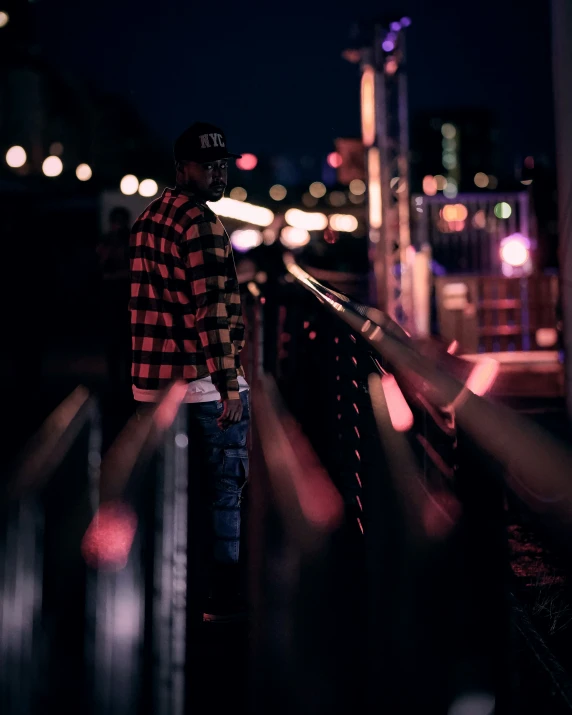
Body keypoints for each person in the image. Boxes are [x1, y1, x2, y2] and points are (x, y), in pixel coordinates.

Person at [130, 122, 249, 623]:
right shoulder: (200, 223)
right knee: (223, 492)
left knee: (171, 496)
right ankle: (222, 601)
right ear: (183, 169)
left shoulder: (147, 220)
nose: (218, 174)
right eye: (209, 166)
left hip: (153, 388)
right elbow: (212, 311)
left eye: (223, 164)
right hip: (202, 385)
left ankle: (172, 596)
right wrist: (229, 385)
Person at [96, 207, 132, 413]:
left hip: (122, 298)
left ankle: (123, 383)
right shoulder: (109, 241)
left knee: (124, 344)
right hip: (115, 298)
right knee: (117, 344)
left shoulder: (128, 241)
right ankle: (118, 383)